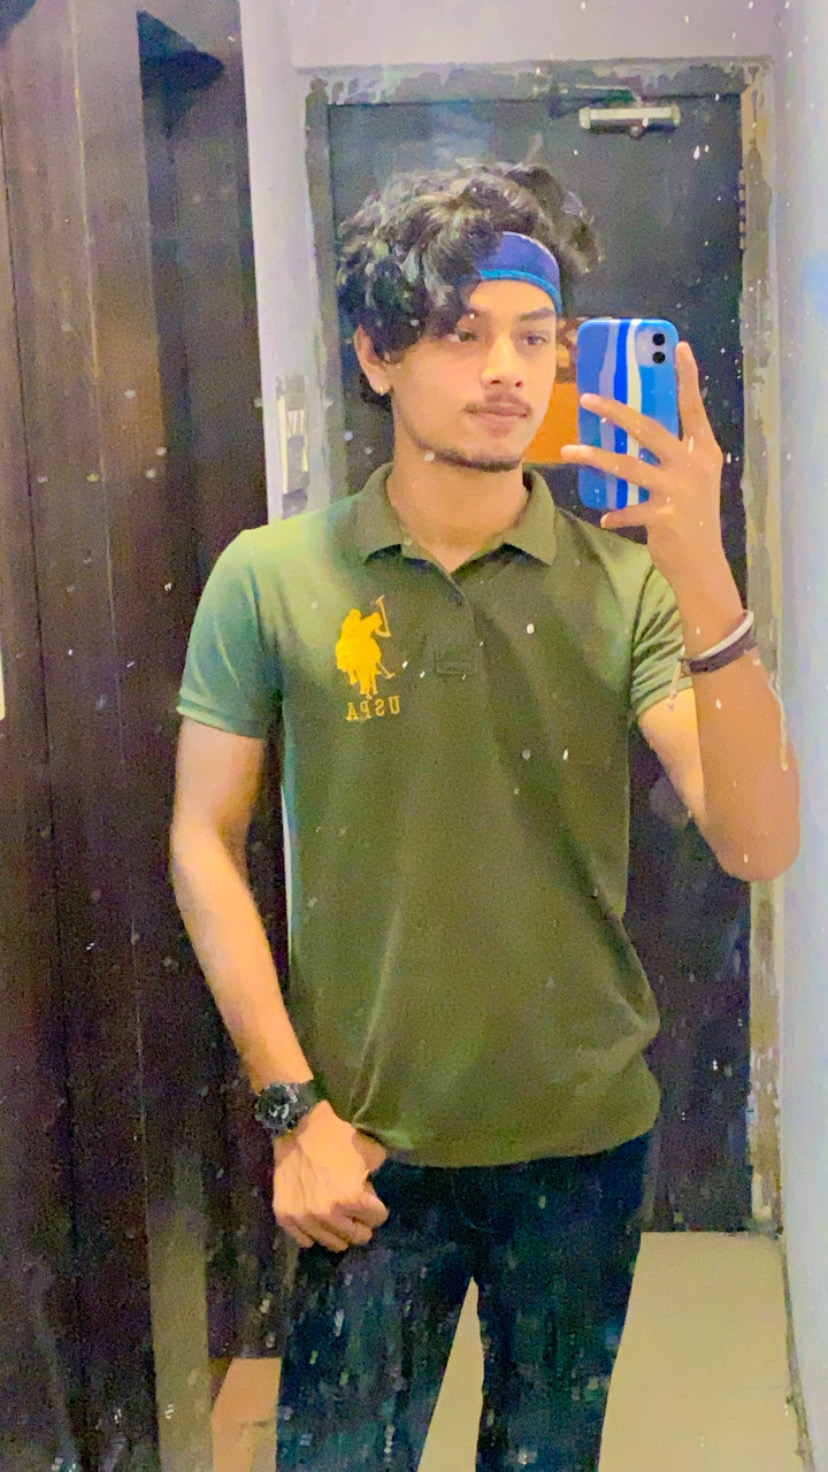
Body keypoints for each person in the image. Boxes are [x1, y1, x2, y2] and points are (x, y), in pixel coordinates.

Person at [171, 163, 800, 1471]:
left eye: (535, 337)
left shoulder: (626, 585)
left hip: (580, 1145)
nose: (508, 370)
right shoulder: (271, 579)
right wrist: (292, 1113)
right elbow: (202, 844)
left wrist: (701, 562)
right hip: (361, 1150)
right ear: (377, 353)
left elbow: (760, 841)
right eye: (463, 334)